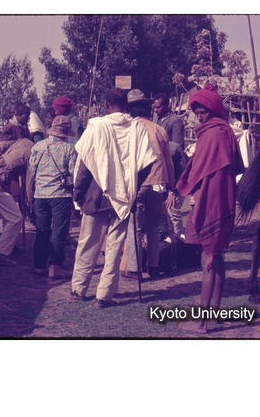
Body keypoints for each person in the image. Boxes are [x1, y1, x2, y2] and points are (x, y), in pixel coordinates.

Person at [70, 88, 157, 309]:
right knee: (114, 247)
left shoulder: (96, 126)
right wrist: (132, 185)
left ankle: (78, 289)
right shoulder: (137, 128)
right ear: (126, 105)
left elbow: (84, 164)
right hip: (124, 196)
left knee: (88, 243)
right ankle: (104, 296)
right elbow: (147, 163)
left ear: (107, 104)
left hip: (95, 194)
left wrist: (78, 193)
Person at [175, 83, 244, 333]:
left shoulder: (214, 133)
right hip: (222, 198)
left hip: (211, 200)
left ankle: (202, 322)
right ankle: (214, 314)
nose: (199, 116)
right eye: (197, 112)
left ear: (213, 109)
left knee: (208, 257)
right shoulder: (224, 131)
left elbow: (198, 169)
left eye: (203, 111)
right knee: (217, 256)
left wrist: (180, 188)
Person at [121, 89, 175, 280]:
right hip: (158, 182)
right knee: (153, 228)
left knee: (134, 228)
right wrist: (170, 186)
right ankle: (153, 266)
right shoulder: (158, 129)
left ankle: (134, 269)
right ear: (148, 109)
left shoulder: (127, 129)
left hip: (137, 184)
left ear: (129, 110)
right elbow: (168, 161)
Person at [28, 116, 77, 279]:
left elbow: (32, 170)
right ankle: (55, 266)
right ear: (66, 133)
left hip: (40, 195)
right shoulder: (69, 149)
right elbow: (73, 173)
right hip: (60, 195)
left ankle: (39, 266)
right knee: (58, 232)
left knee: (41, 230)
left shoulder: (38, 146)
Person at [0, 137, 35, 266]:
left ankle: (11, 245)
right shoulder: (33, 154)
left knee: (10, 216)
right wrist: (31, 203)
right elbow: (29, 184)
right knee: (16, 218)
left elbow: (2, 144)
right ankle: (0, 254)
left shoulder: (25, 141)